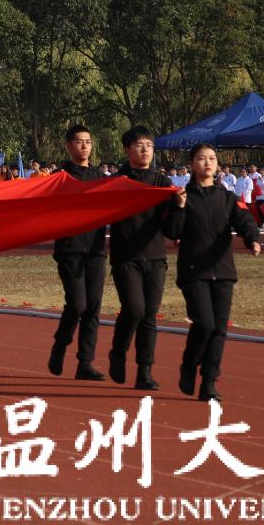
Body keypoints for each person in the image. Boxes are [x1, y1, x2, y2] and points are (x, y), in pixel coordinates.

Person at [166, 143, 261, 402]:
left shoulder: (227, 197)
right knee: (205, 324)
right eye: (201, 158)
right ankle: (189, 363)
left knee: (219, 330)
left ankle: (209, 382)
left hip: (223, 270)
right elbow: (172, 231)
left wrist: (252, 239)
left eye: (212, 158)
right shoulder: (182, 196)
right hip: (193, 271)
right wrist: (179, 207)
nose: (207, 162)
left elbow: (245, 221)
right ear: (192, 164)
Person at [107, 126, 180, 391]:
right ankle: (118, 351)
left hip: (155, 257)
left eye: (149, 145)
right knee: (134, 309)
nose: (145, 150)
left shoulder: (162, 183)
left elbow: (172, 230)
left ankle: (144, 371)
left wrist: (179, 206)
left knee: (149, 315)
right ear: (127, 149)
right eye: (139, 145)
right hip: (126, 257)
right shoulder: (116, 182)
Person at [47, 125, 107, 381]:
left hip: (95, 249)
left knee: (93, 307)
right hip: (70, 249)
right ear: (68, 145)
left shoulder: (100, 177)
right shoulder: (59, 178)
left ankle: (85, 363)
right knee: (77, 304)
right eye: (79, 141)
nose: (84, 146)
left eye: (88, 141)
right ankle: (61, 344)